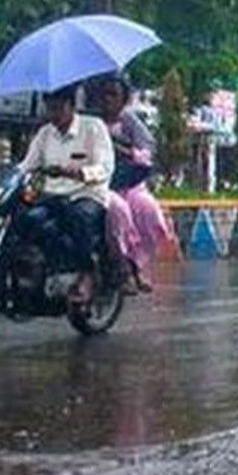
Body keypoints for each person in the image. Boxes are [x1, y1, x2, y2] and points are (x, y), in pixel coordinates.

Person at [19, 85, 115, 304]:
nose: (53, 115)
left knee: (78, 216)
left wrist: (79, 173)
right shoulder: (45, 134)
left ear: (72, 106)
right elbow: (26, 166)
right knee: (27, 218)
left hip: (86, 194)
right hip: (52, 195)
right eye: (50, 109)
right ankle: (40, 270)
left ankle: (87, 273)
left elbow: (105, 167)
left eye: (58, 109)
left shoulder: (94, 128)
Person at [97, 75, 170, 293]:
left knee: (146, 209)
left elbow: (146, 154)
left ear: (124, 99)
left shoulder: (131, 123)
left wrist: (124, 150)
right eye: (104, 95)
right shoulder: (92, 122)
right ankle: (122, 268)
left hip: (129, 182)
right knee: (119, 209)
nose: (107, 100)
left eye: (113, 95)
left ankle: (136, 266)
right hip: (100, 183)